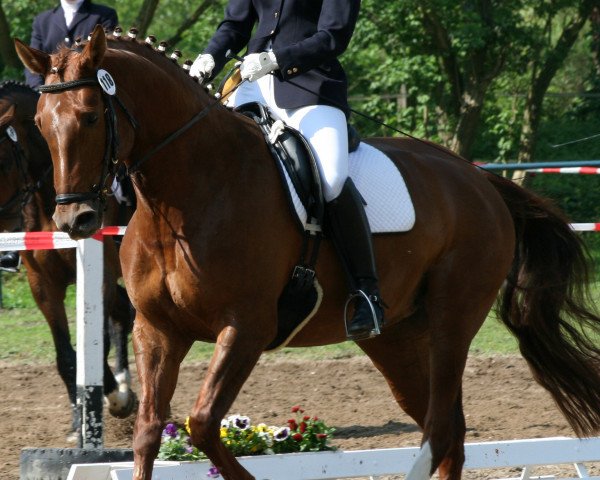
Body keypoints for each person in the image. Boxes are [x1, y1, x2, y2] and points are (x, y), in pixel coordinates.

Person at [190, 0, 384, 341]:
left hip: (309, 88)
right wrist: (210, 56)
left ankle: (367, 293)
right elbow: (235, 26)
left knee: (331, 178)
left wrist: (278, 59)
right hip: (247, 88)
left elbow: (334, 36)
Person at [0, 1, 119, 272]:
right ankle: (11, 244)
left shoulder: (103, 15)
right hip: (53, 107)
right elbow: (35, 73)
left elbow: (109, 62)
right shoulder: (43, 20)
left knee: (117, 165)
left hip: (87, 103)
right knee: (19, 163)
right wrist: (47, 97)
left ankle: (123, 223)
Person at [24, 0, 118, 88]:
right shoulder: (42, 21)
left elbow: (105, 59)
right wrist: (39, 90)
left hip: (87, 91)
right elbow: (33, 61)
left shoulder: (104, 15)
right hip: (50, 94)